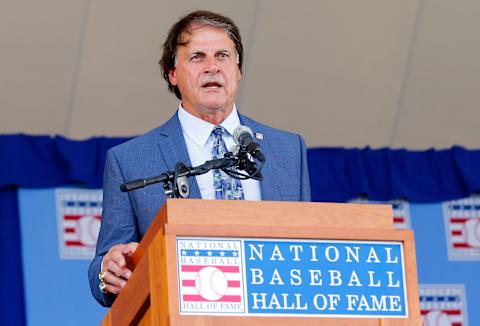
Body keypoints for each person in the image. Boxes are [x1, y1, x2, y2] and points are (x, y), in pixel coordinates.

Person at [88, 10, 311, 307]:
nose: (212, 67)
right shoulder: (129, 160)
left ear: (238, 70)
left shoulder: (288, 149)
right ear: (172, 73)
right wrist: (108, 271)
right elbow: (105, 263)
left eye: (223, 55)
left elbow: (310, 248)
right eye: (197, 57)